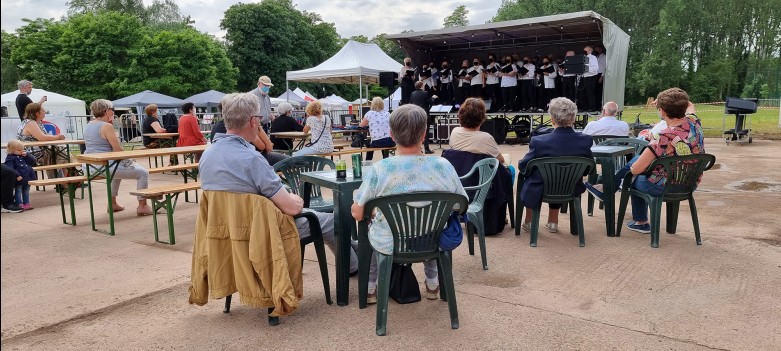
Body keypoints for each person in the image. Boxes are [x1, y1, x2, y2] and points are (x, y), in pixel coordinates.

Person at [199, 92, 358, 275]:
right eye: (259, 119)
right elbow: (291, 208)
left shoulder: (207, 156)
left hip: (227, 230)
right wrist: (295, 200)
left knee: (315, 215)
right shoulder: (253, 160)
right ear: (253, 121)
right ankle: (354, 268)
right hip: (264, 230)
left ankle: (358, 254)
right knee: (332, 221)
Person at [351, 104, 467, 304]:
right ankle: (432, 284)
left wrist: (363, 210)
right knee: (431, 224)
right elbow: (460, 205)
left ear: (391, 135)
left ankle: (370, 288)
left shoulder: (380, 169)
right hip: (431, 239)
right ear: (423, 135)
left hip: (390, 242)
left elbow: (359, 213)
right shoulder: (443, 166)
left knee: (371, 227)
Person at [586, 88, 704, 234]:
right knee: (636, 162)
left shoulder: (663, 136)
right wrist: (670, 98)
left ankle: (640, 220)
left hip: (664, 186)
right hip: (690, 183)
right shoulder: (694, 122)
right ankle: (608, 189)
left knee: (633, 174)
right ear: (684, 107)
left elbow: (636, 169)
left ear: (662, 111)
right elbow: (691, 106)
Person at [518, 97, 593, 233]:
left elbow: (524, 166)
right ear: (574, 118)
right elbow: (588, 168)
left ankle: (529, 221)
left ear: (552, 119)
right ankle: (553, 222)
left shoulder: (539, 141)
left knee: (530, 177)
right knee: (560, 177)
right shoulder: (586, 140)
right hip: (570, 187)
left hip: (541, 189)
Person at [83, 99, 153, 215]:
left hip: (89, 166)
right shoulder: (106, 126)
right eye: (112, 110)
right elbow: (118, 150)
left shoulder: (88, 125)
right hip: (103, 166)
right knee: (143, 173)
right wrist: (130, 160)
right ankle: (143, 205)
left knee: (117, 170)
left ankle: (112, 203)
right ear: (107, 111)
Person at [449, 98, 506, 165]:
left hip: (459, 172)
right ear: (481, 117)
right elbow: (501, 160)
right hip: (479, 173)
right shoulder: (486, 138)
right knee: (510, 167)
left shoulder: (455, 131)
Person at [17, 103, 66, 178]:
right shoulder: (31, 123)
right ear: (37, 113)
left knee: (66, 155)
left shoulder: (36, 122)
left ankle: (66, 181)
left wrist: (54, 137)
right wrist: (58, 137)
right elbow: (42, 138)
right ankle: (59, 181)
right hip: (32, 154)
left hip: (39, 151)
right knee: (62, 153)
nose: (45, 112)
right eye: (43, 110)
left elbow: (45, 137)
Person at [4, 140, 37, 210]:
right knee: (18, 191)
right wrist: (17, 175)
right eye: (19, 150)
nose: (22, 151)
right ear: (11, 150)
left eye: (23, 149)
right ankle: (19, 203)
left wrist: (27, 155)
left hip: (27, 177)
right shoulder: (10, 158)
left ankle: (26, 203)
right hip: (19, 178)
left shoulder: (24, 156)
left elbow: (33, 161)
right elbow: (10, 168)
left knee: (26, 191)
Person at [409, 81, 437, 154]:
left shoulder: (413, 93)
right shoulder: (425, 93)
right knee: (426, 132)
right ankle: (426, 149)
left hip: (415, 116)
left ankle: (417, 149)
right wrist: (433, 98)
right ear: (422, 86)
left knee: (417, 132)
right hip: (424, 115)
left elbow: (411, 104)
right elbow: (431, 102)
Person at [581, 46, 600, 112]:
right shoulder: (582, 58)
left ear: (589, 50)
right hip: (584, 77)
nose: (584, 52)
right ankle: (585, 107)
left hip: (591, 77)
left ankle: (592, 108)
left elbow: (595, 69)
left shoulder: (593, 58)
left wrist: (586, 68)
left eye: (585, 50)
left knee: (590, 93)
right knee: (583, 93)